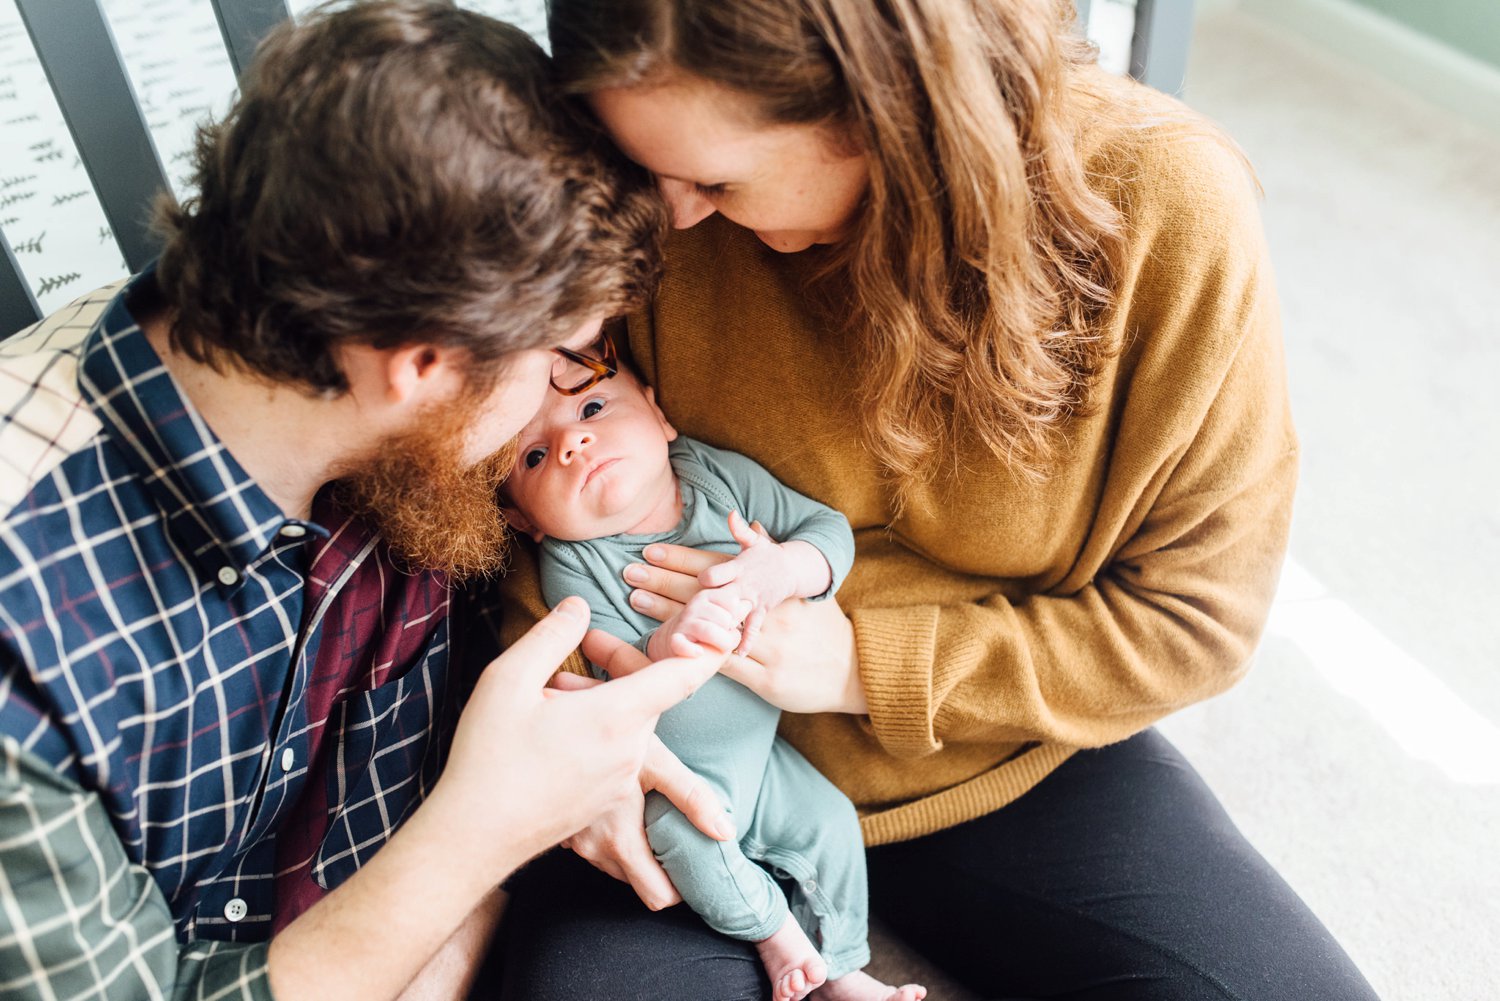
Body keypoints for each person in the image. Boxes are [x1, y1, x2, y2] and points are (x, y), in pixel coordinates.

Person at [488, 1, 1385, 999]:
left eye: (714, 180)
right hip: (678, 770)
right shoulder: (648, 197)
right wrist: (570, 741)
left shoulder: (1166, 208)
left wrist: (865, 663)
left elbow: (1195, 619)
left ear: (877, 104)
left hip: (1000, 760)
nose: (675, 219)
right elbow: (514, 486)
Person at [0, 4, 735, 1001]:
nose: (560, 404)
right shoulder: (28, 643)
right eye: (559, 360)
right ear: (422, 366)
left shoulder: (345, 404)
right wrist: (485, 831)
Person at [501, 361, 926, 1001]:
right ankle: (774, 935)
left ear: (658, 413)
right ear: (523, 521)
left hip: (764, 752)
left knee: (831, 822)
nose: (571, 443)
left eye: (591, 410)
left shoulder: (715, 475)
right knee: (691, 840)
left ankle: (844, 969)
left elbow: (826, 529)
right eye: (534, 456)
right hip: (678, 769)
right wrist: (675, 641)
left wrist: (783, 570)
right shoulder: (571, 565)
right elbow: (617, 661)